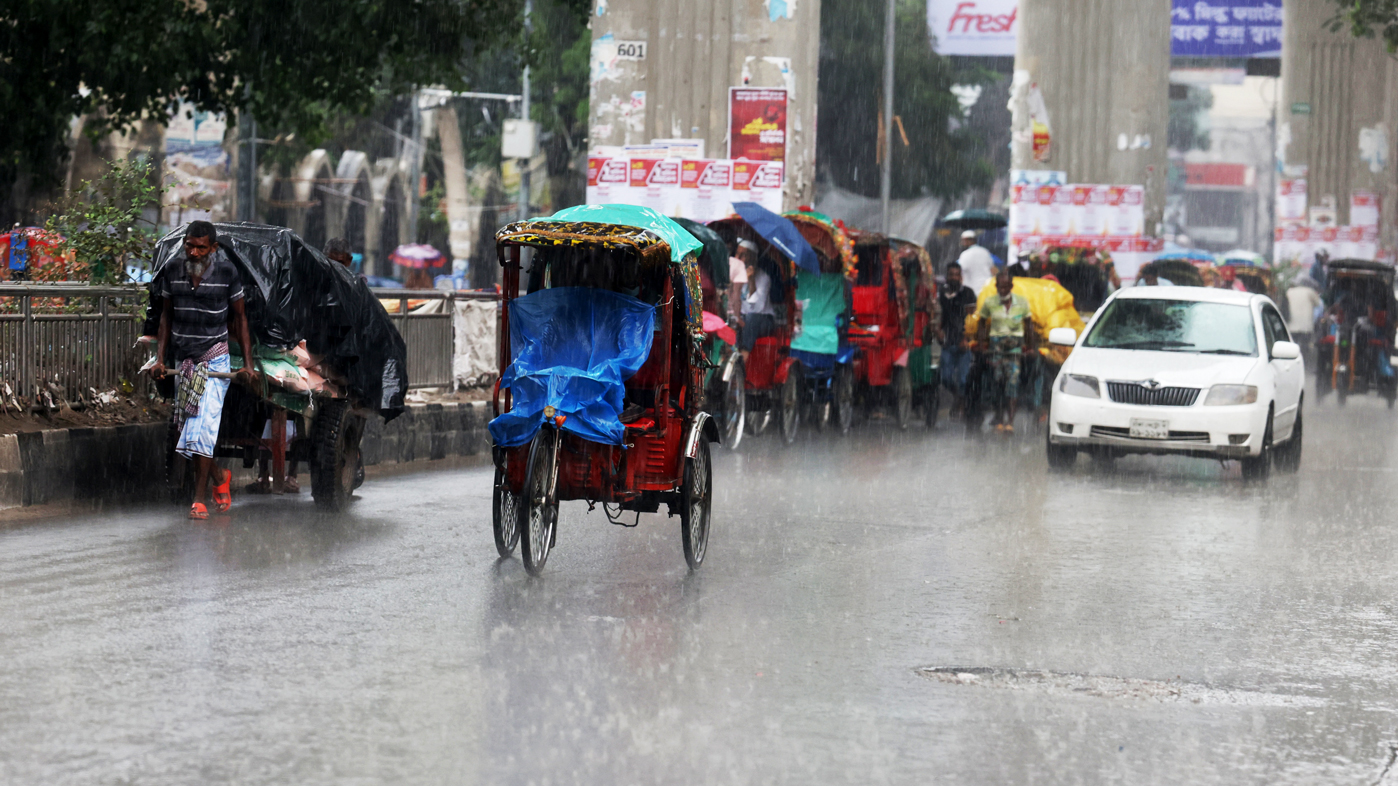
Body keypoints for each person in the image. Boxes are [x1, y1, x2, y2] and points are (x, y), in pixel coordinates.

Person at [150, 221, 257, 520]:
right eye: (189, 245)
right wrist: (160, 360)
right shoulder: (173, 271)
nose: (194, 252)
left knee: (202, 431)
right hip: (184, 362)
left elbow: (240, 320)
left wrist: (248, 366)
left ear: (214, 249)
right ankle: (220, 475)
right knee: (187, 428)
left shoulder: (227, 273)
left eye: (201, 247)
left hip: (215, 361)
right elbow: (165, 319)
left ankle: (198, 500)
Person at [975, 271, 1035, 433]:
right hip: (996, 348)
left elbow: (1029, 325)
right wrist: (981, 344)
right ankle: (999, 417)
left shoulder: (1022, 303)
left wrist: (1030, 347)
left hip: (1015, 348)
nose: (1002, 290)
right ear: (996, 286)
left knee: (1013, 383)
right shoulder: (989, 302)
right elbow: (981, 323)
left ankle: (1010, 421)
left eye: (1005, 286)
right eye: (999, 287)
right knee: (997, 383)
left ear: (1011, 286)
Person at [937, 262, 978, 414]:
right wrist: (938, 331)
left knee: (963, 379)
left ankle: (961, 400)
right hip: (948, 342)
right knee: (945, 378)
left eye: (956, 275)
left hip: (964, 343)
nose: (954, 277)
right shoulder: (941, 294)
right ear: (947, 276)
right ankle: (957, 397)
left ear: (961, 277)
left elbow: (973, 318)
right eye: (951, 274)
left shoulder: (968, 293)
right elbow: (937, 315)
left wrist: (966, 338)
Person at [739, 245, 778, 357]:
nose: (740, 258)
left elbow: (757, 308)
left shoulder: (764, 278)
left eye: (744, 255)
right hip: (743, 317)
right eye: (738, 254)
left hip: (763, 319)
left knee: (752, 318)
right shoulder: (736, 275)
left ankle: (742, 358)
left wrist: (751, 281)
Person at [1286, 277, 1322, 366]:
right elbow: (1318, 303)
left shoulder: (1290, 292)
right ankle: (1303, 363)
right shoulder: (1310, 292)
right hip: (1306, 325)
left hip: (1292, 324)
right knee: (1305, 346)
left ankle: (1291, 362)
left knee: (1292, 344)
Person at [957, 230, 998, 295]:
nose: (962, 243)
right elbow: (994, 270)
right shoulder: (985, 252)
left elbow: (959, 272)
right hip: (986, 290)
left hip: (972, 292)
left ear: (968, 240)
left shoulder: (964, 255)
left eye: (963, 241)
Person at [728, 239, 754, 323]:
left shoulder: (762, 276)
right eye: (737, 253)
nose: (738, 258)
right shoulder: (731, 267)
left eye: (743, 255)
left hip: (748, 316)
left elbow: (754, 302)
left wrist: (750, 279)